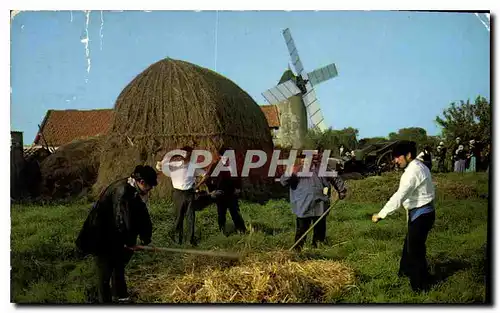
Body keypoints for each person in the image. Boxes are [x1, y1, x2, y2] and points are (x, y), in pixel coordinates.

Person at [75, 165, 157, 303]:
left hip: (116, 236)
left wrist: (145, 237)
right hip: (101, 236)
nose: (151, 189)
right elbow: (122, 220)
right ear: (141, 182)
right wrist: (129, 242)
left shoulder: (135, 191)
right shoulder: (123, 193)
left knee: (118, 266)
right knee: (104, 273)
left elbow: (142, 215)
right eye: (149, 185)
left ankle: (121, 297)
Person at [371, 141, 435, 292]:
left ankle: (420, 288)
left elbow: (399, 196)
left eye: (398, 157)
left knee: (415, 252)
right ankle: (404, 273)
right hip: (422, 213)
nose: (395, 161)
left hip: (422, 214)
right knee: (409, 246)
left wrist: (381, 214)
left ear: (408, 156)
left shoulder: (412, 172)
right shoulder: (420, 166)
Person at [280, 151, 347, 251]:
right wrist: (290, 173)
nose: (304, 160)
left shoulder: (321, 169)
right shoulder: (296, 170)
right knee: (301, 228)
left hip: (320, 203)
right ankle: (297, 250)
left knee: (320, 228)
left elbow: (335, 177)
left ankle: (318, 248)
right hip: (303, 204)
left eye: (307, 157)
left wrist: (341, 190)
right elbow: (283, 182)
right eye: (302, 158)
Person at [157, 146, 207, 246]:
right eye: (184, 153)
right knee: (178, 216)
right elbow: (159, 166)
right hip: (178, 193)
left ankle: (190, 240)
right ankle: (177, 239)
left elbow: (205, 174)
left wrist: (197, 185)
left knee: (190, 217)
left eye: (189, 154)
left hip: (189, 193)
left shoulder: (193, 166)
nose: (186, 155)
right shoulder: (173, 165)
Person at [202, 147, 247, 234]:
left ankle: (242, 231)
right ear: (221, 156)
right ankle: (222, 232)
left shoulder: (233, 166)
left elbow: (239, 178)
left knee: (236, 213)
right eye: (227, 155)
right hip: (220, 194)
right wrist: (212, 191)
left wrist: (238, 188)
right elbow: (207, 179)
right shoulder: (215, 166)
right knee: (221, 214)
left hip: (231, 194)